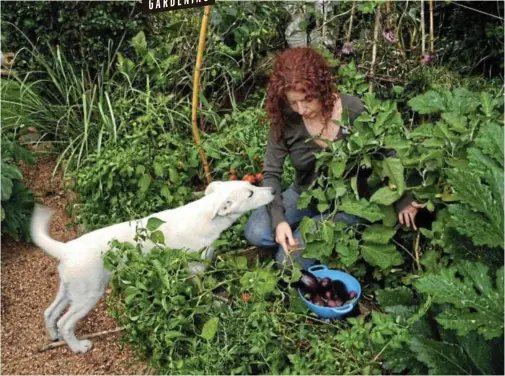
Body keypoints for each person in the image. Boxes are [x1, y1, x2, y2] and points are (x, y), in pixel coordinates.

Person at [244, 47, 423, 269]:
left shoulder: (353, 109)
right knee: (256, 231)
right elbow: (271, 173)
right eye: (293, 102)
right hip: (305, 195)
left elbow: (385, 153)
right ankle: (297, 228)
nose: (301, 109)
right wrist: (279, 220)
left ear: (321, 88)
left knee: (287, 261)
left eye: (307, 99)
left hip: (347, 203)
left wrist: (403, 198)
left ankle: (316, 234)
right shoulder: (286, 120)